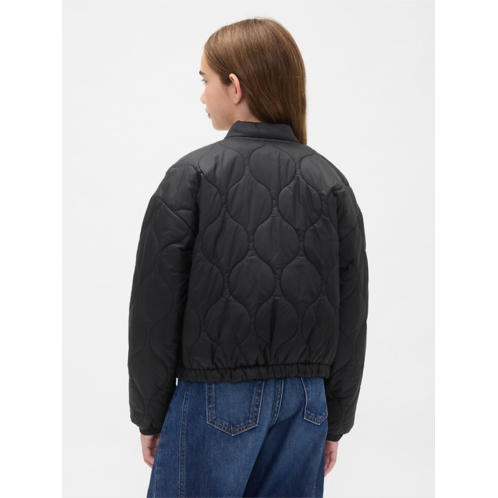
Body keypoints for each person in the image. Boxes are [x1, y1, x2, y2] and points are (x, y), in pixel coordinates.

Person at [128, 18, 368, 498]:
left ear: (234, 87)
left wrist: (150, 414)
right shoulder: (331, 183)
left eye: (206, 80)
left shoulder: (192, 176)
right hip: (306, 403)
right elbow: (352, 314)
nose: (202, 96)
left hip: (215, 397)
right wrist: (335, 419)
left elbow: (155, 309)